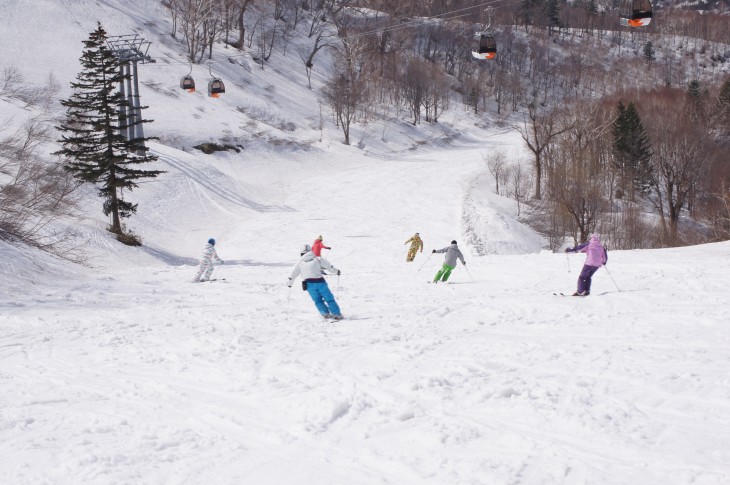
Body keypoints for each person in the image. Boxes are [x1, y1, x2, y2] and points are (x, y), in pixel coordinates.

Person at [288, 244, 343, 320]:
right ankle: (336, 314)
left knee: (317, 300)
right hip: (320, 283)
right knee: (329, 298)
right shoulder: (319, 259)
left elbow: (292, 275)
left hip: (309, 285)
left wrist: (289, 284)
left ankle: (325, 313)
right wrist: (337, 272)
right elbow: (330, 267)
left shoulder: (299, 263)